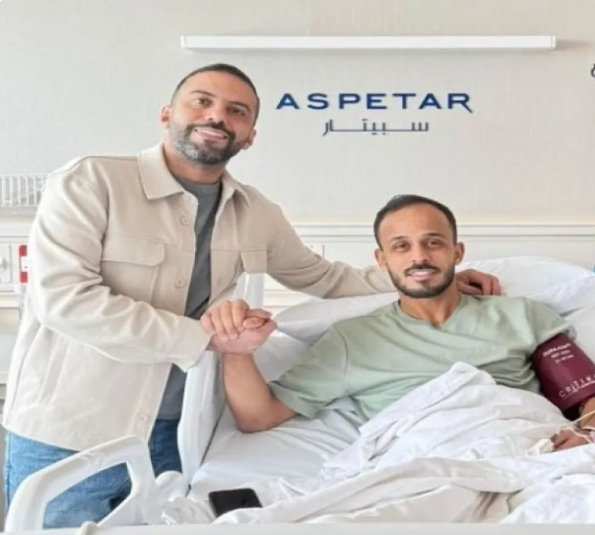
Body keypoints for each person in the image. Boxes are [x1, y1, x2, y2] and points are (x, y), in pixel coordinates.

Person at [2, 64, 499, 529]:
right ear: (167, 113)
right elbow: (65, 299)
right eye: (202, 101)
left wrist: (429, 275)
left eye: (236, 111)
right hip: (71, 427)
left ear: (250, 135)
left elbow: (326, 278)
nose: (217, 116)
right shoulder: (94, 181)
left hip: (175, 431)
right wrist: (206, 338)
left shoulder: (254, 211)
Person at [209, 194, 595, 450]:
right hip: (423, 458)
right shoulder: (354, 340)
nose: (419, 257)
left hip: (524, 445)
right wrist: (236, 352)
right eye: (401, 246)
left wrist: (592, 435)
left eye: (433, 243)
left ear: (457, 252)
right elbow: (259, 416)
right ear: (382, 260)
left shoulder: (521, 315)